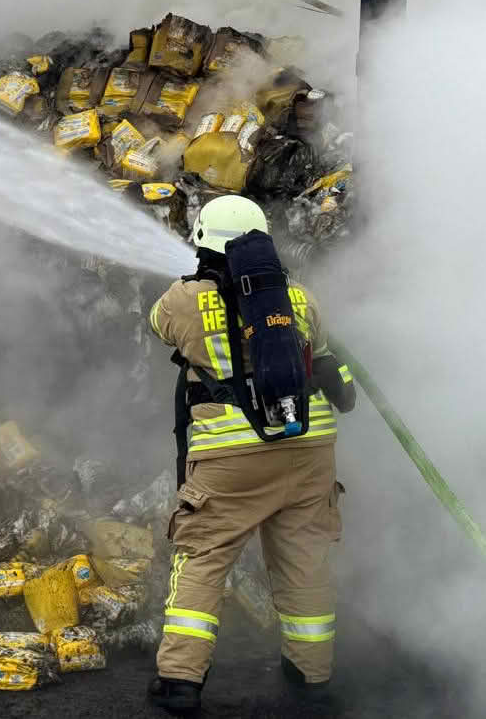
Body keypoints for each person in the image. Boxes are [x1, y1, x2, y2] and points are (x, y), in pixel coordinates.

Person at [145, 194, 357, 713]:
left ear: (204, 244)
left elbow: (156, 324)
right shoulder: (300, 300)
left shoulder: (183, 298)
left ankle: (180, 681)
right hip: (309, 451)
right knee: (305, 563)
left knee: (204, 557)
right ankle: (312, 677)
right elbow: (334, 371)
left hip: (231, 459)